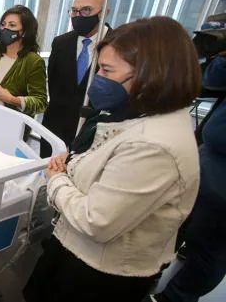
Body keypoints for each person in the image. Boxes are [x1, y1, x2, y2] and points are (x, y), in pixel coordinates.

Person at [23, 17, 202, 302]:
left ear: (150, 74)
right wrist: (76, 164)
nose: (98, 81)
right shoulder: (137, 118)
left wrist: (56, 180)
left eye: (106, 71)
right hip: (76, 251)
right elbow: (107, 168)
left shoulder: (154, 145)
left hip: (100, 274)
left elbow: (97, 221)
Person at [148, 53, 226, 302]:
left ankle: (176, 297)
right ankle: (151, 275)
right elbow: (211, 79)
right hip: (206, 161)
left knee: (209, 249)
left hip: (221, 188)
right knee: (173, 225)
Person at [40, 0, 111, 158]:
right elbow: (54, 86)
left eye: (86, 10)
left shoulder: (118, 46)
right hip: (56, 129)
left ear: (104, 12)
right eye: (74, 11)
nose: (78, 16)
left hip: (94, 133)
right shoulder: (60, 43)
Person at [0, 5, 47, 126]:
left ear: (25, 31)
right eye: (3, 24)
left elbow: (41, 102)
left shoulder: (33, 61)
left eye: (12, 25)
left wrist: (13, 100)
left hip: (12, 126)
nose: (5, 28)